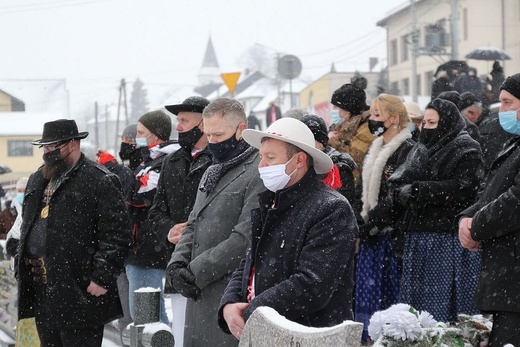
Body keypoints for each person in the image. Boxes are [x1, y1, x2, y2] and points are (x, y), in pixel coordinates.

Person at [218, 117, 358, 341]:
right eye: (261, 157)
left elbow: (313, 284)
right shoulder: (270, 202)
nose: (261, 166)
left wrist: (252, 310)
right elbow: (249, 262)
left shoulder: (331, 209)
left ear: (299, 160)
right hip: (267, 331)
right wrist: (230, 303)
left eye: (270, 158)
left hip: (308, 335)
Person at [17, 119, 131, 346]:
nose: (47, 152)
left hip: (80, 291)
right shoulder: (37, 179)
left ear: (72, 144)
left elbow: (118, 235)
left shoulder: (99, 180)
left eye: (53, 146)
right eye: (45, 147)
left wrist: (101, 277)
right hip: (42, 288)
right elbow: (27, 224)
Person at [166, 98, 264, 347]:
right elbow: (194, 221)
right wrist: (177, 263)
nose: (212, 142)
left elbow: (244, 238)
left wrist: (196, 271)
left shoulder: (257, 170)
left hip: (227, 291)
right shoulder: (213, 169)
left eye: (219, 134)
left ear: (241, 129)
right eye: (208, 135)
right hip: (199, 294)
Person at [388, 99, 483, 323]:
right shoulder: (420, 149)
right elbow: (401, 179)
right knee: (417, 304)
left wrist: (421, 190)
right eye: (425, 122)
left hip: (445, 236)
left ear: (447, 122)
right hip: (417, 235)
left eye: (433, 122)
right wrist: (402, 191)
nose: (426, 128)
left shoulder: (466, 148)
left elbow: (464, 187)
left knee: (440, 303)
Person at [457, 73, 520, 346]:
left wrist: (477, 226)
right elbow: (492, 191)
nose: (502, 110)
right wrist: (466, 217)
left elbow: (515, 200)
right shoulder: (513, 144)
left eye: (508, 103)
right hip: (508, 277)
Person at [148, 96, 212, 347]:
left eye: (184, 121)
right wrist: (169, 230)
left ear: (204, 125)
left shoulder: (221, 160)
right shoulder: (171, 162)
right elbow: (156, 212)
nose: (178, 127)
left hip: (211, 264)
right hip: (179, 264)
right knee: (183, 336)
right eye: (178, 121)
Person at [355, 94, 415, 342]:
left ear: (394, 118)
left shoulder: (407, 150)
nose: (372, 120)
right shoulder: (376, 146)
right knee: (367, 295)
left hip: (391, 235)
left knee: (388, 295)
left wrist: (374, 224)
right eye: (372, 114)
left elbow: (396, 195)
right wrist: (361, 223)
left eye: (377, 115)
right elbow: (362, 190)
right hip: (371, 234)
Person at [125, 110, 179, 325]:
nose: (135, 138)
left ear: (156, 136)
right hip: (138, 247)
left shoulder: (164, 161)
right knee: (143, 313)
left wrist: (117, 176)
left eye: (140, 132)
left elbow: (139, 196)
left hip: (148, 249)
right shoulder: (147, 161)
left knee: (148, 316)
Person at [328, 75, 375, 183]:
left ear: (348, 110)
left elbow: (354, 159)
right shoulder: (340, 126)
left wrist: (332, 141)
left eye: (336, 107)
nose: (333, 111)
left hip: (355, 185)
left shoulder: (366, 128)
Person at [300, 114, 356, 203]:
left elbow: (343, 204)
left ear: (321, 143)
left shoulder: (338, 168)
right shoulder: (301, 164)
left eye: (310, 141)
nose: (306, 147)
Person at [459, 91, 513, 173]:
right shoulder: (490, 120)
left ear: (472, 113)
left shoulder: (488, 132)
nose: (462, 123)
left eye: (462, 119)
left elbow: (489, 165)